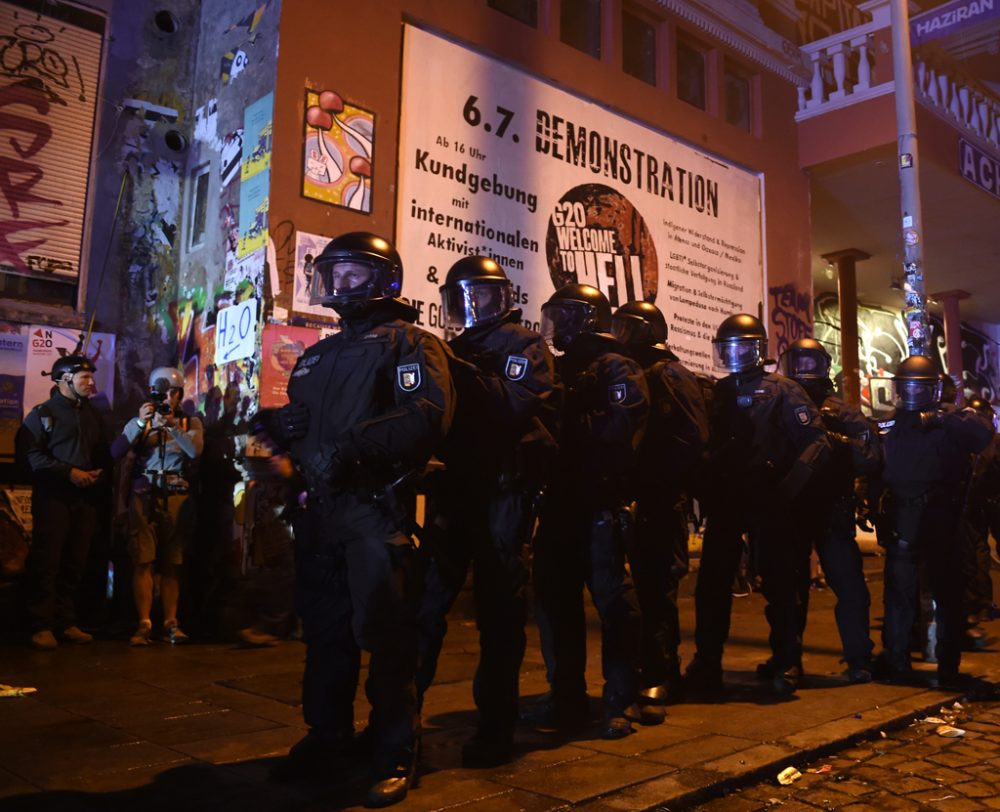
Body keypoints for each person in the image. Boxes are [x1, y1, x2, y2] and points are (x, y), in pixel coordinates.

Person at [258, 232, 454, 807]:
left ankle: (395, 749)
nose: (340, 285)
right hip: (321, 510)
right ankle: (327, 737)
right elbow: (303, 416)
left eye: (353, 274)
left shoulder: (411, 344)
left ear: (384, 279)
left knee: (386, 635)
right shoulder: (318, 353)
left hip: (377, 506)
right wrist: (281, 426)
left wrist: (347, 448)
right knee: (325, 632)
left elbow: (424, 417)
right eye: (333, 274)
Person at [416, 256, 557, 767]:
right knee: (426, 603)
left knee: (500, 605)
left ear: (502, 298)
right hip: (454, 487)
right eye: (462, 297)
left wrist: (457, 370)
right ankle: (398, 725)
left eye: (483, 295)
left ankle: (496, 728)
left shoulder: (523, 344)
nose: (473, 306)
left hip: (502, 487)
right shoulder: (451, 348)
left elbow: (511, 406)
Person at [686, 314, 830, 696]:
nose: (733, 356)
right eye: (726, 349)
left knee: (780, 584)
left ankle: (787, 661)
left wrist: (787, 491)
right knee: (712, 585)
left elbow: (817, 443)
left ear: (757, 351)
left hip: (769, 501)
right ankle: (707, 663)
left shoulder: (783, 390)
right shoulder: (718, 392)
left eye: (741, 348)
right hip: (726, 502)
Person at [532, 283, 648, 739]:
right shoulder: (558, 368)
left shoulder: (618, 367)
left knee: (615, 604)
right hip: (560, 503)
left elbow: (621, 432)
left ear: (587, 319)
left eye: (562, 316)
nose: (554, 326)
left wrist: (567, 429)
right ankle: (565, 697)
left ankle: (621, 700)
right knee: (555, 603)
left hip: (600, 502)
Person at [611, 300, 708, 715]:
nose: (621, 337)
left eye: (628, 329)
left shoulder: (667, 373)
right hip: (639, 496)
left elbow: (693, 437)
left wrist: (660, 482)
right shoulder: (633, 372)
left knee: (657, 589)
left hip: (661, 500)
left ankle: (662, 674)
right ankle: (640, 672)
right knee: (637, 590)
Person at [873, 355, 993, 684]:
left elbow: (984, 432)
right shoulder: (890, 423)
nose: (911, 393)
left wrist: (942, 416)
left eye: (918, 387)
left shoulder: (949, 420)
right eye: (905, 386)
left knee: (947, 592)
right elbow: (875, 467)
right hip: (902, 514)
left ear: (933, 390)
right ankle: (896, 660)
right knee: (898, 592)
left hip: (941, 515)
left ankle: (948, 664)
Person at [778, 338, 880, 683]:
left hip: (831, 510)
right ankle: (787, 660)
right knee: (788, 589)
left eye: (811, 363)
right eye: (798, 362)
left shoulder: (844, 411)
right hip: (792, 508)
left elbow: (870, 456)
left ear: (824, 367)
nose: (804, 370)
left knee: (850, 586)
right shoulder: (779, 402)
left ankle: (858, 659)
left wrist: (837, 441)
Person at [16, 354, 110, 649]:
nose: (91, 382)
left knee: (76, 561)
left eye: (91, 377)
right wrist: (69, 472)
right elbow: (30, 456)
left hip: (85, 500)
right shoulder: (42, 414)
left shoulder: (93, 414)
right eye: (84, 377)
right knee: (48, 560)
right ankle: (40, 625)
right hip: (53, 497)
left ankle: (66, 621)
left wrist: (97, 472)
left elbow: (101, 450)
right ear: (63, 379)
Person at [112, 367, 203, 646]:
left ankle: (171, 622)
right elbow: (116, 452)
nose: (168, 398)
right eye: (162, 392)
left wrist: (172, 426)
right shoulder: (141, 421)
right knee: (143, 560)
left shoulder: (190, 423)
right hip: (144, 494)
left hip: (176, 495)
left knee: (172, 562)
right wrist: (141, 424)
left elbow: (195, 451)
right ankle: (144, 623)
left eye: (173, 393)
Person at [959, 396, 999, 646]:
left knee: (976, 551)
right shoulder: (991, 442)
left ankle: (978, 604)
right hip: (986, 503)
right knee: (977, 552)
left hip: (973, 504)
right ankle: (980, 603)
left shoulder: (965, 440)